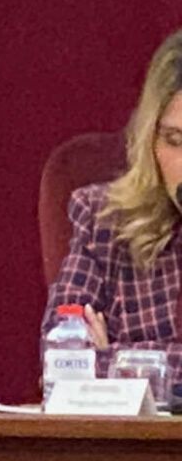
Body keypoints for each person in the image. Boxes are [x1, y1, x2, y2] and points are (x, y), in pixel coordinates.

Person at [42, 27, 182, 388]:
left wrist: (113, 359)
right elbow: (63, 359)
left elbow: (92, 366)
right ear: (149, 140)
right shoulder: (104, 220)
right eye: (175, 140)